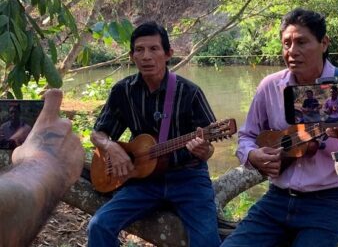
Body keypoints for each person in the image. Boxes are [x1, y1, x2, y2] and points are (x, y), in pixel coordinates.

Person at [221, 8, 338, 247]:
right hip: (276, 199)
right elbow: (247, 136)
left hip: (327, 202)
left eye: (301, 42)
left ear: (324, 43)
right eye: (287, 43)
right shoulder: (270, 86)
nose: (292, 52)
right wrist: (252, 155)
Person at [87, 21, 221, 247]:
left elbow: (209, 145)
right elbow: (98, 133)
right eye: (139, 50)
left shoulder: (190, 92)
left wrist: (203, 151)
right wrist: (111, 147)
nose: (146, 56)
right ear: (132, 56)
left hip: (188, 178)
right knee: (99, 225)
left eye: (154, 49)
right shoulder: (123, 91)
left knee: (207, 241)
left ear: (168, 54)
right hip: (143, 179)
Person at [0, 89, 85, 246]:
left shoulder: (25, 128)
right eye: (10, 111)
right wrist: (47, 161)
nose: (12, 114)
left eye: (15, 111)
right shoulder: (4, 126)